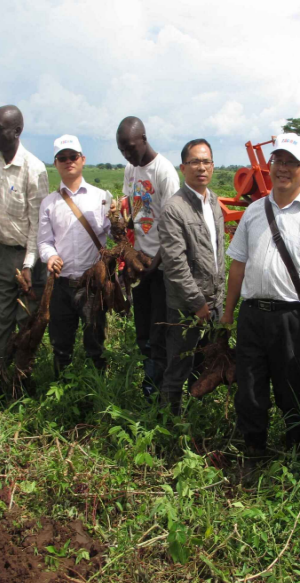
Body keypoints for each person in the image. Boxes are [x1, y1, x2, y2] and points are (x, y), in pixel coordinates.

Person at [222, 133, 300, 469]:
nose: (283, 168)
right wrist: (228, 313)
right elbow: (238, 266)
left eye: (291, 162)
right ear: (270, 166)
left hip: (293, 319)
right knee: (249, 388)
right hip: (252, 315)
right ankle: (254, 451)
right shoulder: (255, 212)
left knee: (292, 389)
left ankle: (296, 455)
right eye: (279, 161)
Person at [0, 105, 49, 378]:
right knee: (2, 318)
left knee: (26, 321)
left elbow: (38, 225)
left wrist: (30, 264)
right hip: (4, 254)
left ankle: (21, 378)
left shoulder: (34, 169)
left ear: (17, 131)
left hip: (29, 258)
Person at [158, 139, 225, 414]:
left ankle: (200, 418)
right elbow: (175, 265)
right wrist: (198, 304)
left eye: (206, 161)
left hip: (215, 302)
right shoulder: (174, 208)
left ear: (212, 166)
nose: (201, 167)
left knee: (208, 365)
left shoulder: (214, 202)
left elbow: (218, 252)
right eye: (195, 162)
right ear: (183, 167)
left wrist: (218, 300)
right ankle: (168, 425)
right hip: (187, 308)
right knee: (178, 366)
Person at [38, 135, 114, 373]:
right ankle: (63, 390)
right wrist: (50, 256)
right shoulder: (49, 203)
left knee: (96, 343)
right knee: (61, 343)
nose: (68, 161)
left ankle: (99, 389)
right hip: (61, 284)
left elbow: (115, 235)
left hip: (92, 284)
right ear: (56, 163)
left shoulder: (102, 197)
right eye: (63, 158)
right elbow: (44, 241)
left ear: (83, 160)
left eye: (73, 157)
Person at [117, 116, 180, 397]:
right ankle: (149, 381)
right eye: (122, 150)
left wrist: (153, 267)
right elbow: (133, 210)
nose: (128, 154)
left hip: (162, 267)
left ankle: (159, 389)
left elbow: (172, 229)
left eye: (131, 147)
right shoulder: (131, 170)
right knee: (142, 328)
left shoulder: (164, 172)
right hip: (141, 263)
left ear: (143, 139)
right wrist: (124, 230)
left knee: (159, 329)